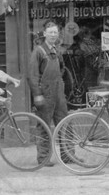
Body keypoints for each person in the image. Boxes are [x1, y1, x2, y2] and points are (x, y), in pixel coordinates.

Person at [28, 20, 80, 166]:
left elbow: (62, 68)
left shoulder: (56, 50)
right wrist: (37, 94)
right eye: (50, 32)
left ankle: (68, 156)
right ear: (44, 34)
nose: (53, 35)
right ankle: (43, 159)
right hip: (45, 94)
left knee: (65, 123)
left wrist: (59, 83)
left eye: (55, 32)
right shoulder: (38, 51)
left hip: (58, 92)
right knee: (44, 126)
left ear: (58, 35)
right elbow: (32, 75)